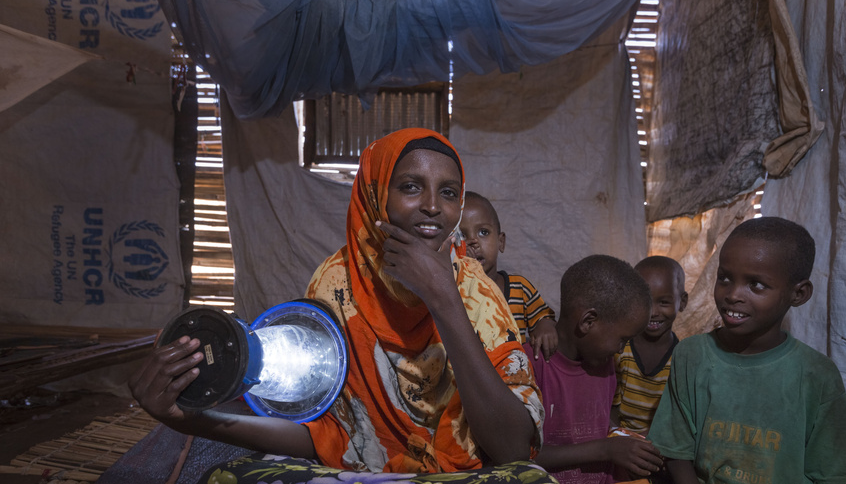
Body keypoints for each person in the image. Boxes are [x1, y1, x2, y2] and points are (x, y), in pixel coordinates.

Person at [129, 129, 546, 479]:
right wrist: (187, 419)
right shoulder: (337, 284)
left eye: (449, 193)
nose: (433, 207)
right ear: (374, 194)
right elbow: (327, 437)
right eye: (410, 186)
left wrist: (444, 299)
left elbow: (512, 449)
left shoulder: (476, 291)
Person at [647, 217, 846, 484]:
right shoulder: (692, 355)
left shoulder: (816, 375)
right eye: (724, 278)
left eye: (756, 284)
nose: (733, 295)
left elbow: (840, 475)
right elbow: (675, 450)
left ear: (798, 294)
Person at [527, 254, 665, 484]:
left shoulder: (605, 366)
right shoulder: (529, 366)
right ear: (588, 322)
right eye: (622, 339)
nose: (621, 350)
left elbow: (597, 428)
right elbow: (519, 455)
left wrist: (628, 446)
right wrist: (607, 450)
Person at [459, 191, 558, 360]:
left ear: (501, 242)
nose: (473, 241)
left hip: (515, 373)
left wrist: (545, 326)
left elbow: (544, 318)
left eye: (483, 232)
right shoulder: (454, 292)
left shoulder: (519, 288)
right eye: (461, 235)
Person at [613, 255, 688, 436]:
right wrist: (620, 437)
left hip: (662, 440)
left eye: (664, 302)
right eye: (644, 301)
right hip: (619, 439)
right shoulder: (619, 350)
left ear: (682, 302)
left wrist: (649, 440)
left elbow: (677, 419)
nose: (652, 312)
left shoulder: (683, 359)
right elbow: (609, 408)